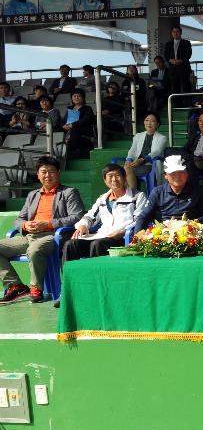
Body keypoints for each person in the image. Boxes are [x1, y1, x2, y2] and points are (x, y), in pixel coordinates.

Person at [0, 156, 84, 304]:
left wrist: (48, 224)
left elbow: (77, 217)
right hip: (29, 236)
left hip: (54, 236)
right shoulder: (33, 195)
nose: (47, 175)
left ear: (58, 173)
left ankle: (36, 288)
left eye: (51, 171)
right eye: (43, 172)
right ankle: (16, 286)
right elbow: (19, 219)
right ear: (38, 175)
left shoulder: (69, 192)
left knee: (34, 250)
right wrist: (25, 225)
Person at [60, 163, 147, 274]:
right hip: (102, 236)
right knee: (70, 245)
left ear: (125, 178)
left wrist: (123, 231)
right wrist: (83, 225)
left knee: (97, 244)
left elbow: (139, 219)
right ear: (105, 180)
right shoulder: (102, 199)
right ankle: (69, 284)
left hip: (124, 238)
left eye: (118, 175)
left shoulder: (137, 196)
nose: (114, 179)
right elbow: (90, 216)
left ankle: (95, 282)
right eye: (110, 176)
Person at [134, 155, 203, 234]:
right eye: (173, 173)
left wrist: (194, 222)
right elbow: (143, 217)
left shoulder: (200, 191)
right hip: (165, 234)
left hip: (192, 233)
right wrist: (137, 237)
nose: (178, 176)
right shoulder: (157, 192)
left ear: (187, 174)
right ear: (165, 175)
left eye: (181, 172)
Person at [125, 113, 168, 190]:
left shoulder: (162, 138)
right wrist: (129, 159)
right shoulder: (138, 136)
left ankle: (133, 196)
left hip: (150, 165)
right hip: (135, 164)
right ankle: (133, 196)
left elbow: (157, 152)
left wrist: (142, 160)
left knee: (125, 170)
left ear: (157, 124)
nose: (149, 123)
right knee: (122, 170)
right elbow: (132, 150)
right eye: (147, 120)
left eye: (152, 121)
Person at [62, 89, 96, 159]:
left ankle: (76, 151)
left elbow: (85, 120)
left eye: (79, 96)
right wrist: (64, 125)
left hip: (84, 130)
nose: (76, 98)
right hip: (71, 131)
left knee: (74, 130)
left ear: (83, 98)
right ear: (72, 98)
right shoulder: (70, 109)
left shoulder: (87, 108)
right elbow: (64, 121)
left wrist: (72, 125)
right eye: (74, 96)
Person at [163, 25, 193, 95]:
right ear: (171, 33)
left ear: (181, 33)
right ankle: (177, 105)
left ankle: (187, 105)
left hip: (184, 69)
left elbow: (188, 54)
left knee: (186, 88)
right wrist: (171, 60)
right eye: (174, 32)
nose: (175, 33)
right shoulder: (168, 44)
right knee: (175, 89)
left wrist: (181, 60)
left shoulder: (186, 43)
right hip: (173, 70)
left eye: (177, 32)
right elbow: (166, 55)